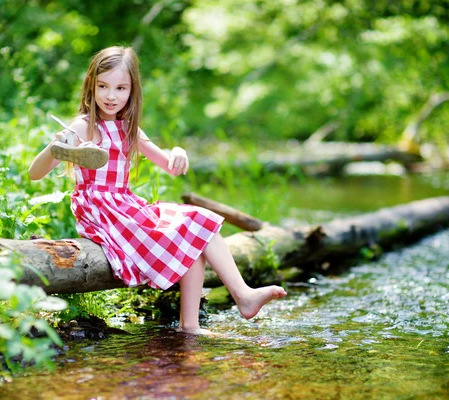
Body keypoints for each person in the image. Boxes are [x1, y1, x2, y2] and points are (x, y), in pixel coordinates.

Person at [28, 46, 287, 334]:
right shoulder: (83, 127)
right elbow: (35, 173)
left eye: (120, 88)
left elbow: (171, 165)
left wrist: (178, 151)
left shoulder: (129, 129)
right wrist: (56, 147)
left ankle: (195, 322)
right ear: (91, 86)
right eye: (103, 86)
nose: (111, 96)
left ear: (132, 90)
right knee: (189, 230)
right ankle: (239, 296)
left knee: (195, 226)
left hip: (125, 204)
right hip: (102, 210)